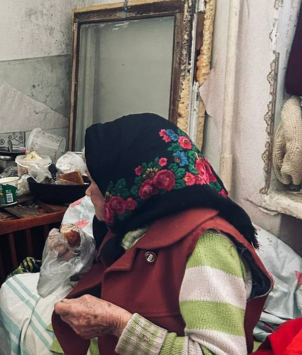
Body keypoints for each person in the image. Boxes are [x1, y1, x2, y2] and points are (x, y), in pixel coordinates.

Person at [52, 113, 273, 355]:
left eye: (95, 182)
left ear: (126, 182)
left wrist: (118, 324)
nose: (88, 191)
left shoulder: (208, 246)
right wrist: (75, 254)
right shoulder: (139, 219)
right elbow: (125, 272)